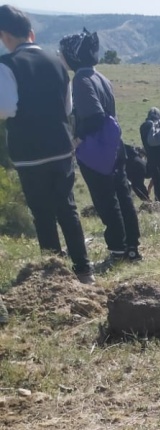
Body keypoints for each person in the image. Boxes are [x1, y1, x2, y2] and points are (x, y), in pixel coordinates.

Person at [0, 5, 93, 283]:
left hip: (29, 153)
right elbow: (68, 107)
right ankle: (84, 270)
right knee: (68, 208)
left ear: (5, 36)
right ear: (31, 33)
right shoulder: (56, 62)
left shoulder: (7, 65)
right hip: (62, 148)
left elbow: (6, 108)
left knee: (42, 213)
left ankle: (54, 276)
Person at [60, 29, 142, 264]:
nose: (60, 55)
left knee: (106, 200)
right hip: (115, 147)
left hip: (96, 152)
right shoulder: (101, 77)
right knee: (123, 196)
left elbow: (94, 116)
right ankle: (132, 247)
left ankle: (117, 249)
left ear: (73, 55)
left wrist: (78, 139)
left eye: (63, 52)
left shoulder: (81, 80)